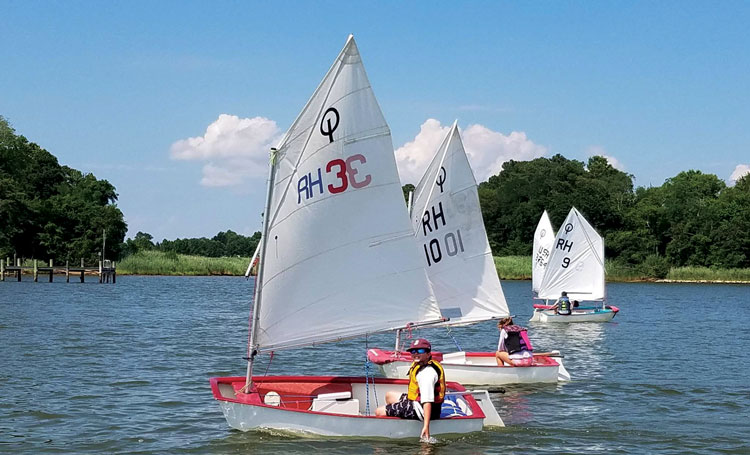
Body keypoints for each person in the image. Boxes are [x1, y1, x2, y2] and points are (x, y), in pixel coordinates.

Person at [376, 338, 445, 440]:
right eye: (413, 351)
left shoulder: (427, 373)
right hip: (416, 402)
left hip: (423, 410)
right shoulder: (420, 364)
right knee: (389, 395)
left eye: (420, 351)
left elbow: (427, 401)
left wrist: (426, 426)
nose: (415, 354)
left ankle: (396, 433)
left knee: (379, 412)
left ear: (428, 353)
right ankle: (400, 422)